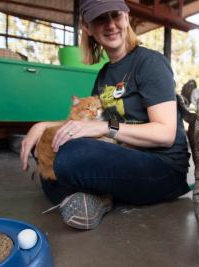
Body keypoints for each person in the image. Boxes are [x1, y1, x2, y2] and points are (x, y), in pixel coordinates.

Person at [20, 0, 190, 230]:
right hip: (121, 155)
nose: (110, 25)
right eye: (100, 18)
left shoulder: (150, 62)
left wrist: (105, 128)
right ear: (87, 27)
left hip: (162, 168)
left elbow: (166, 134)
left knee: (69, 157)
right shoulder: (104, 75)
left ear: (126, 17)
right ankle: (98, 196)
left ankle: (91, 194)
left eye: (115, 15)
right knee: (47, 148)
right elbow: (87, 123)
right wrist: (43, 125)